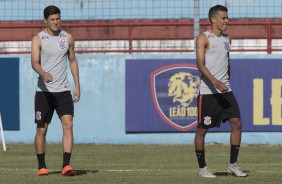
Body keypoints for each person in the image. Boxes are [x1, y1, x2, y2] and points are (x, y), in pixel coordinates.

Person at [194, 5, 247, 178]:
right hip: (208, 92)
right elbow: (200, 65)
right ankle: (203, 168)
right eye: (223, 18)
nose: (227, 21)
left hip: (226, 91)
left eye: (227, 18)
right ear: (213, 19)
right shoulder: (203, 38)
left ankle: (232, 165)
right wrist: (215, 82)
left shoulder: (227, 39)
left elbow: (227, 62)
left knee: (237, 123)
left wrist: (226, 81)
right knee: (202, 130)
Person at [31, 5, 80, 176]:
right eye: (52, 19)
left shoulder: (68, 38)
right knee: (41, 130)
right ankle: (42, 166)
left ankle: (66, 165)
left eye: (57, 18)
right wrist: (43, 73)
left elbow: (73, 61)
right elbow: (34, 62)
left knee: (68, 125)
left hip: (63, 90)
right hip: (44, 92)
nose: (55, 22)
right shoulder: (38, 39)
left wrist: (77, 86)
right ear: (45, 21)